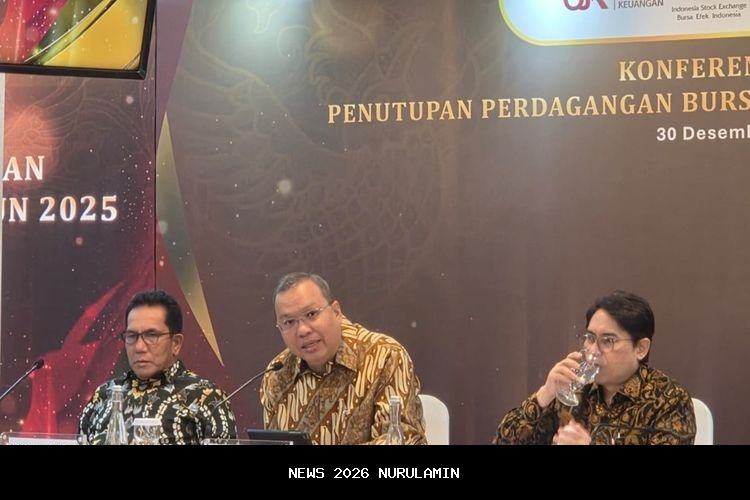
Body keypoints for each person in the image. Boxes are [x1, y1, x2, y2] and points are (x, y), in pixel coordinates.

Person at [494, 290, 696, 445]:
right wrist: (545, 393)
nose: (593, 350)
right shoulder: (575, 388)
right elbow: (503, 441)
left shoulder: (669, 399)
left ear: (641, 348)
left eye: (607, 341)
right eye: (590, 338)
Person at [259, 272, 427, 444]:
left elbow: (401, 440)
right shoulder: (277, 373)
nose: (302, 330)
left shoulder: (385, 356)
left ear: (336, 312)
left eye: (311, 314)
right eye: (289, 322)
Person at [79, 290, 237, 444]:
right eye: (132, 336)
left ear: (176, 343)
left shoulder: (205, 397)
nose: (139, 347)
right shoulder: (105, 395)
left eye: (151, 336)